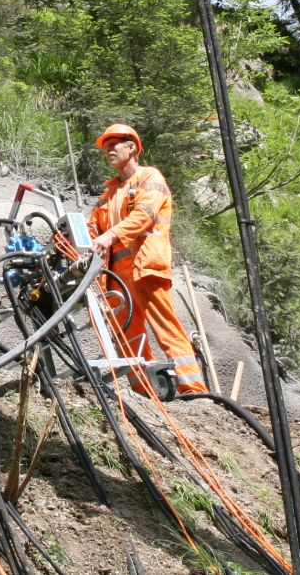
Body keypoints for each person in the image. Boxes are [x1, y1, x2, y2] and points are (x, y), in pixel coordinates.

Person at [88, 122, 208, 396]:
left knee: (165, 325)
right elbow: (92, 227)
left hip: (145, 266)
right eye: (105, 148)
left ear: (131, 148)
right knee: (126, 332)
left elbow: (144, 216)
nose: (108, 152)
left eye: (113, 146)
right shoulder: (109, 193)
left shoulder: (150, 178)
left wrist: (110, 236)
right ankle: (145, 392)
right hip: (117, 273)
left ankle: (194, 389)